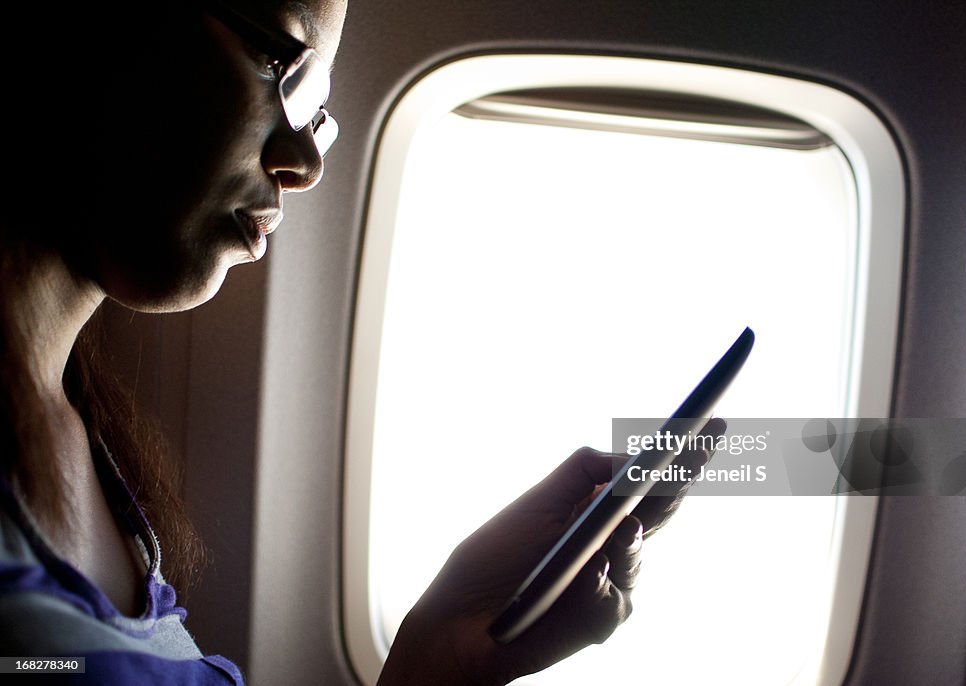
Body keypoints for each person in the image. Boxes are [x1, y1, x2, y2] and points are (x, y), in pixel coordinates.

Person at [0, 1, 724, 683]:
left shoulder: (88, 442)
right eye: (293, 71)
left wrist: (430, 652)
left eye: (320, 113)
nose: (307, 164)